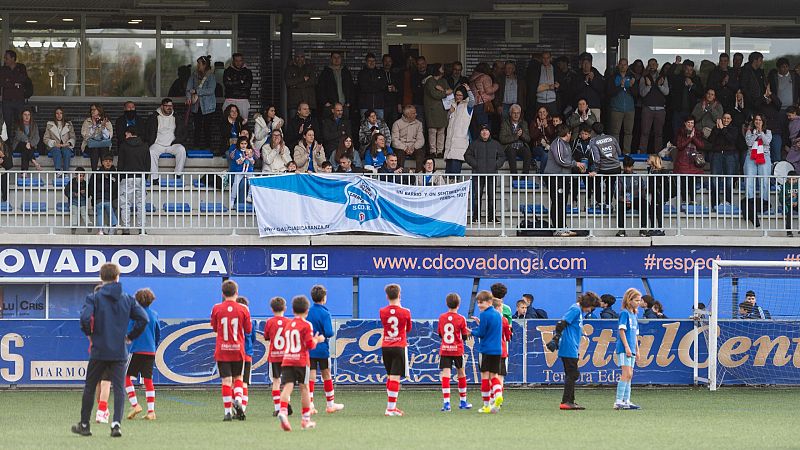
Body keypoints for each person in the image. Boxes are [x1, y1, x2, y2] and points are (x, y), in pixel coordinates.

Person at [71, 263, 148, 438]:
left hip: (99, 349)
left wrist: (89, 334)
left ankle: (85, 425)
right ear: (117, 277)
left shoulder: (94, 298)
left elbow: (84, 318)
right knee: (119, 388)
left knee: (90, 386)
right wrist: (130, 336)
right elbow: (143, 319)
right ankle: (116, 425)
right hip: (119, 351)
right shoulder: (127, 298)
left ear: (101, 277)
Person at [276, 295, 324, 432]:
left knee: (287, 386)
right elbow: (309, 344)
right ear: (307, 311)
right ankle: (305, 420)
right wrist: (317, 339)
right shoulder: (306, 324)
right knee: (304, 388)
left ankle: (283, 411)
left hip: (287, 359)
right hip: (301, 360)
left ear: (292, 310)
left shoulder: (288, 324)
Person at [210, 280, 252, 422]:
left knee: (226, 381)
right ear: (236, 293)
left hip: (222, 349)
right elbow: (248, 330)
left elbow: (215, 328)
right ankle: (238, 400)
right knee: (238, 378)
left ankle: (228, 412)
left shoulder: (216, 308)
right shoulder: (243, 309)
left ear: (223, 293)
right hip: (237, 349)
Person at [549, 292, 598, 410]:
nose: (591, 310)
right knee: (572, 374)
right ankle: (566, 401)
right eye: (591, 307)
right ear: (587, 303)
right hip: (569, 346)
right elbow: (561, 323)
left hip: (572, 346)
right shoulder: (575, 309)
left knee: (571, 374)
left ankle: (570, 401)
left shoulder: (578, 311)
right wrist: (555, 339)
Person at [306, 285, 344, 415]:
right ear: (324, 298)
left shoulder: (308, 311)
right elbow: (329, 332)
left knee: (311, 376)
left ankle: (310, 404)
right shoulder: (325, 313)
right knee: (326, 374)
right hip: (322, 349)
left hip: (309, 349)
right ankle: (330, 404)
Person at [123, 288, 160, 421]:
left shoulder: (134, 315)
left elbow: (129, 331)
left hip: (136, 350)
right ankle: (151, 411)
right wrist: (153, 345)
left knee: (126, 377)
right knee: (148, 380)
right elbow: (158, 333)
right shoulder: (155, 314)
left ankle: (135, 405)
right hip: (150, 351)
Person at [546, 123, 586, 236]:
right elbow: (561, 160)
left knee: (563, 203)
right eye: (570, 133)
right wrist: (575, 164)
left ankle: (563, 226)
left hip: (564, 177)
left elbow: (568, 160)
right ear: (567, 133)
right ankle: (557, 229)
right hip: (555, 177)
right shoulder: (557, 143)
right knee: (557, 202)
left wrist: (578, 167)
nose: (571, 135)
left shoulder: (566, 145)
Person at [380, 284, 412, 417]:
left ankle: (392, 406)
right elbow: (408, 328)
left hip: (386, 346)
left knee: (390, 376)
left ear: (387, 296)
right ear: (399, 295)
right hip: (399, 346)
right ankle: (390, 408)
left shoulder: (382, 311)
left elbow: (385, 325)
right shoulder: (406, 312)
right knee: (395, 377)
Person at [469, 290, 503, 414]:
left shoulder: (484, 314)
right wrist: (480, 323)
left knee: (484, 377)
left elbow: (482, 333)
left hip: (486, 350)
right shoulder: (497, 314)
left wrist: (471, 331)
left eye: (481, 302)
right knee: (494, 376)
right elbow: (491, 329)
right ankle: (498, 395)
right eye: (478, 303)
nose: (479, 305)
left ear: (489, 302)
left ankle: (486, 405)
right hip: (497, 350)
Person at [437, 293, 472, 411]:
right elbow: (464, 335)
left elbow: (440, 334)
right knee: (461, 373)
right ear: (459, 304)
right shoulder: (461, 318)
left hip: (445, 349)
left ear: (447, 304)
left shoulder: (442, 317)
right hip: (457, 350)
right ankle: (463, 401)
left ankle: (446, 403)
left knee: (446, 374)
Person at [464, 125, 506, 223]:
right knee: (477, 197)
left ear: (489, 132)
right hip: (477, 174)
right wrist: (475, 164)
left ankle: (491, 217)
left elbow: (502, 156)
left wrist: (496, 165)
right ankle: (475, 217)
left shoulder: (496, 144)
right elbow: (467, 155)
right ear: (480, 132)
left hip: (492, 174)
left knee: (492, 197)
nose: (484, 132)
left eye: (486, 130)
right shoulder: (474, 144)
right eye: (482, 130)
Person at [117, 127, 150, 234]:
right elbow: (148, 164)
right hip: (141, 177)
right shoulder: (145, 146)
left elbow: (120, 164)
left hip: (127, 177)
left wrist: (120, 177)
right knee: (141, 204)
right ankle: (142, 229)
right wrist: (145, 178)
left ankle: (126, 228)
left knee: (125, 204)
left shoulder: (123, 145)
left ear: (130, 134)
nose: (125, 137)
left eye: (126, 134)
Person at [145, 98, 187, 181]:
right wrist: (149, 141)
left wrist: (178, 140)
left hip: (173, 144)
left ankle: (177, 174)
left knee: (181, 150)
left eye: (171, 106)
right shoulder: (153, 117)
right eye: (167, 106)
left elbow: (184, 131)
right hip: (158, 144)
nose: (169, 108)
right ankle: (154, 178)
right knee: (151, 151)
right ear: (161, 106)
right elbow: (147, 131)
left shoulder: (177, 117)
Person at [614, 288, 642, 410]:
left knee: (630, 375)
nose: (638, 303)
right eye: (636, 300)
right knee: (627, 373)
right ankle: (618, 401)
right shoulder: (624, 313)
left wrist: (637, 350)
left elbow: (635, 335)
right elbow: (622, 330)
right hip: (624, 348)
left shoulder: (634, 315)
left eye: (639, 300)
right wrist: (626, 347)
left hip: (631, 349)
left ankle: (627, 401)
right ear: (629, 300)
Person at [263, 296, 290, 417]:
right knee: (287, 382)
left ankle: (277, 408)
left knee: (276, 381)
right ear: (285, 308)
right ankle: (286, 404)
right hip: (287, 356)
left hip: (274, 355)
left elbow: (266, 337)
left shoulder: (269, 322)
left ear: (272, 309)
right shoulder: (289, 322)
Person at [673, 116, 705, 206]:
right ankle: (684, 200)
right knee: (683, 182)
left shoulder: (698, 133)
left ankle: (692, 200)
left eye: (692, 123)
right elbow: (680, 146)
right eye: (688, 122)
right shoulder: (680, 133)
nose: (690, 124)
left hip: (694, 161)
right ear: (685, 123)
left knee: (692, 181)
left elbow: (701, 146)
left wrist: (693, 137)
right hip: (683, 161)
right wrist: (689, 138)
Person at [186, 55, 216, 150]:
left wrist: (196, 91)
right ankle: (196, 146)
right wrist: (188, 98)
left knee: (207, 127)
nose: (198, 65)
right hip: (196, 106)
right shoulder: (193, 75)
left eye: (199, 64)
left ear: (205, 64)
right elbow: (188, 89)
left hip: (208, 106)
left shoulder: (211, 76)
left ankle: (208, 147)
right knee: (197, 127)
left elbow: (211, 90)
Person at [639, 61, 670, 154]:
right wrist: (648, 86)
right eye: (650, 64)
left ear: (657, 65)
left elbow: (667, 92)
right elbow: (642, 93)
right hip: (648, 109)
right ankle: (642, 153)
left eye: (654, 64)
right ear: (648, 66)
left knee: (659, 134)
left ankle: (658, 154)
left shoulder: (663, 77)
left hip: (660, 110)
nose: (652, 66)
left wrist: (660, 85)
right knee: (644, 133)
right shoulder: (644, 78)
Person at [709, 113, 739, 206]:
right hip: (717, 155)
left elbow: (732, 140)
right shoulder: (716, 128)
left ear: (731, 120)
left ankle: (728, 202)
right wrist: (718, 130)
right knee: (714, 179)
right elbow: (711, 140)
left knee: (729, 179)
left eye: (728, 118)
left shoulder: (734, 129)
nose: (726, 120)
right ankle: (715, 203)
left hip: (729, 155)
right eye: (724, 118)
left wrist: (723, 129)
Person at [443, 85, 475, 174]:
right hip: (450, 142)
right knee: (448, 172)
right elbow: (447, 120)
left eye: (460, 95)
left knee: (455, 171)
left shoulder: (467, 106)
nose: (458, 97)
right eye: (457, 95)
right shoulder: (452, 105)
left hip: (460, 142)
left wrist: (469, 90)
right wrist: (450, 112)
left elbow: (473, 101)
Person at [607, 59, 636, 154]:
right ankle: (616, 152)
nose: (623, 66)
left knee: (629, 132)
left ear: (628, 66)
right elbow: (609, 92)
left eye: (625, 64)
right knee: (615, 132)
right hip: (616, 109)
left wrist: (631, 86)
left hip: (629, 109)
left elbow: (637, 94)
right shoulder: (613, 77)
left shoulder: (632, 77)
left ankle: (626, 152)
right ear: (618, 65)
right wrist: (621, 86)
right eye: (621, 64)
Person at [424, 63, 452, 158]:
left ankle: (440, 151)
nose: (443, 70)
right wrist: (444, 92)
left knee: (441, 130)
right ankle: (432, 151)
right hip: (432, 109)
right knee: (432, 131)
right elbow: (434, 94)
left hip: (442, 109)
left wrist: (442, 90)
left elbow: (450, 91)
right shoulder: (430, 81)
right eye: (441, 68)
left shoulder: (443, 80)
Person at [0, 50, 31, 135]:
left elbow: (23, 80)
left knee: (20, 123)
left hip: (19, 100)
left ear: (13, 59)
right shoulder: (3, 69)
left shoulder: (21, 67)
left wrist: (9, 82)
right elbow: (2, 82)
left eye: (6, 58)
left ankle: (20, 143)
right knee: (7, 124)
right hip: (7, 101)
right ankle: (8, 145)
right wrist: (14, 84)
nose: (5, 60)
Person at [744, 114, 772, 205]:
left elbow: (767, 142)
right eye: (756, 119)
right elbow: (749, 143)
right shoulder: (749, 131)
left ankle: (764, 202)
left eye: (760, 120)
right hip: (751, 156)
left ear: (763, 122)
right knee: (749, 179)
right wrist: (756, 133)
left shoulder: (768, 131)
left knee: (764, 180)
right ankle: (750, 201)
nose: (758, 121)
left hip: (764, 156)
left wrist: (761, 132)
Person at [616, 156, 647, 237]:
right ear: (623, 167)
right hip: (625, 200)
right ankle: (621, 230)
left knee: (644, 203)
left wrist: (641, 198)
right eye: (626, 167)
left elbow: (643, 190)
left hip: (636, 199)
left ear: (633, 166)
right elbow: (617, 193)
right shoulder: (620, 178)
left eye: (630, 167)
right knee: (619, 206)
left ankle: (643, 229)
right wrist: (623, 199)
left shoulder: (638, 177)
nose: (628, 169)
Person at [670, 59, 704, 133]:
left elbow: (701, 93)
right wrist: (675, 64)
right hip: (678, 111)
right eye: (687, 69)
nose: (689, 71)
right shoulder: (678, 78)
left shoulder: (696, 79)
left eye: (691, 70)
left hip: (691, 112)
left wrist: (692, 85)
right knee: (677, 132)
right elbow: (669, 75)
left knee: (689, 133)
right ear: (683, 68)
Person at [317, 51, 355, 117]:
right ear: (331, 59)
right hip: (330, 105)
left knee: (344, 125)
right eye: (334, 57)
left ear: (341, 59)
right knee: (330, 125)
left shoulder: (346, 72)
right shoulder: (326, 72)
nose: (336, 59)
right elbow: (321, 88)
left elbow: (351, 87)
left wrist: (349, 101)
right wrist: (325, 102)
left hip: (344, 105)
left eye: (338, 57)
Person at [88, 155, 118, 236]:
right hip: (99, 198)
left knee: (108, 212)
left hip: (108, 199)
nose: (108, 162)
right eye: (106, 161)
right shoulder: (96, 173)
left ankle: (106, 229)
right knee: (101, 211)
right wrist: (93, 197)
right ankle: (108, 228)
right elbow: (91, 186)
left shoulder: (115, 174)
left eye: (110, 161)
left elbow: (116, 188)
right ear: (102, 163)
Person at [499, 104, 532, 174]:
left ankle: (524, 178)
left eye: (518, 113)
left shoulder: (524, 123)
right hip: (509, 147)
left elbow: (528, 139)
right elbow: (502, 139)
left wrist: (522, 134)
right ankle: (514, 178)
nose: (516, 115)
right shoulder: (505, 123)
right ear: (510, 114)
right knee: (511, 152)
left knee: (527, 152)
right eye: (514, 113)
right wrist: (516, 136)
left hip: (521, 147)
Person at [43, 107, 76, 176]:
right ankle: (58, 172)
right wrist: (54, 143)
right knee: (56, 151)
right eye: (57, 113)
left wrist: (67, 144)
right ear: (54, 115)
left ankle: (66, 172)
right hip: (54, 146)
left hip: (66, 146)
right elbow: (45, 138)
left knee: (66, 152)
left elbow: (73, 137)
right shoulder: (49, 124)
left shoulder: (69, 124)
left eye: (61, 113)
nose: (59, 115)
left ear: (63, 114)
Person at [469, 63, 498, 138]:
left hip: (474, 105)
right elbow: (488, 90)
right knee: (484, 127)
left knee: (476, 127)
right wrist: (496, 86)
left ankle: (476, 144)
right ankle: (484, 144)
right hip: (483, 105)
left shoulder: (472, 78)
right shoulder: (485, 77)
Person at [222, 53, 253, 123]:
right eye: (236, 60)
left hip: (243, 100)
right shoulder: (227, 71)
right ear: (233, 61)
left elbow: (248, 86)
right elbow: (227, 84)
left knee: (243, 122)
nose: (238, 63)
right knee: (228, 123)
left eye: (240, 60)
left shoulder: (248, 72)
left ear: (243, 61)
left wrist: (233, 83)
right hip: (230, 100)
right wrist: (240, 82)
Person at [81, 104, 113, 171]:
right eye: (91, 109)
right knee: (95, 149)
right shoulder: (87, 121)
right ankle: (94, 172)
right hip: (90, 145)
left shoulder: (106, 121)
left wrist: (103, 127)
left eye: (94, 109)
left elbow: (109, 137)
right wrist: (94, 126)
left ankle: (104, 171)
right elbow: (85, 136)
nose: (92, 111)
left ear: (99, 110)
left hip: (103, 145)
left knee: (103, 149)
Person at [527, 51, 560, 116]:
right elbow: (533, 87)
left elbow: (560, 84)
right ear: (541, 59)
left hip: (552, 101)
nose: (546, 60)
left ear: (551, 58)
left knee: (553, 121)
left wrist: (558, 86)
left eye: (547, 58)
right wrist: (549, 87)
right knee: (539, 122)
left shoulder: (555, 69)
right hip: (540, 101)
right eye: (544, 58)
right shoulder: (536, 69)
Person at [286, 50, 316, 118]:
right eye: (297, 57)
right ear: (294, 58)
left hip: (308, 101)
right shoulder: (290, 68)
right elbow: (288, 82)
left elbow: (313, 82)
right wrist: (302, 79)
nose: (300, 59)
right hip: (294, 103)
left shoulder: (310, 68)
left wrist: (295, 85)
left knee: (309, 124)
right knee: (293, 124)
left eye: (302, 57)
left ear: (304, 58)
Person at [493, 297, 512, 402]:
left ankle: (492, 397)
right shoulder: (504, 320)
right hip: (502, 351)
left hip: (490, 351)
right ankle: (499, 396)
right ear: (498, 307)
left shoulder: (487, 318)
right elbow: (508, 336)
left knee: (491, 375)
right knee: (500, 375)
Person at [358, 53, 387, 119]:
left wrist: (371, 85)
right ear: (366, 62)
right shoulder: (361, 73)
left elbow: (383, 86)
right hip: (365, 105)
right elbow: (363, 88)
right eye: (369, 61)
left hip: (378, 105)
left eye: (373, 61)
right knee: (365, 126)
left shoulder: (380, 72)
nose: (372, 63)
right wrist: (377, 86)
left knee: (378, 126)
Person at [228, 137, 255, 207]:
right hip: (239, 170)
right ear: (239, 144)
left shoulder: (250, 151)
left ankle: (249, 196)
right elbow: (238, 162)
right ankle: (232, 200)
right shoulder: (237, 151)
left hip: (249, 170)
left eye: (245, 143)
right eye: (242, 143)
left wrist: (249, 157)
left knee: (253, 182)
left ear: (247, 144)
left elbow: (253, 162)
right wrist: (243, 158)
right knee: (235, 184)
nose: (243, 145)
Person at [64, 167, 92, 234]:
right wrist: (74, 194)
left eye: (83, 176)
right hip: (74, 201)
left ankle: (89, 224)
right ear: (76, 175)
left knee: (84, 212)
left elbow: (89, 194)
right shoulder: (71, 182)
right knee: (74, 212)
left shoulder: (85, 183)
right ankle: (74, 225)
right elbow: (66, 191)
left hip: (82, 202)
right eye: (80, 176)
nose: (81, 177)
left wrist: (84, 192)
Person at [645, 154, 667, 237]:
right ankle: (653, 228)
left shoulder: (660, 171)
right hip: (652, 194)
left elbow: (660, 184)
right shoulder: (650, 170)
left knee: (658, 211)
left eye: (649, 158)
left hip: (658, 194)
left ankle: (661, 229)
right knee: (652, 211)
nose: (647, 160)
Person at [381, 54, 401, 126]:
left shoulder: (395, 74)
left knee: (394, 125)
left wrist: (395, 89)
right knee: (382, 125)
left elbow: (400, 89)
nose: (387, 63)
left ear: (392, 62)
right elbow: (376, 87)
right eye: (386, 61)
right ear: (382, 62)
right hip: (382, 104)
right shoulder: (378, 73)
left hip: (393, 105)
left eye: (389, 61)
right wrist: (385, 88)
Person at [781, 170, 798, 237]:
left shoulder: (798, 185)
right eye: (791, 180)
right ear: (788, 179)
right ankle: (789, 231)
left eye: (794, 179)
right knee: (789, 214)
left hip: (797, 203)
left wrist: (797, 201)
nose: (793, 181)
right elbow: (781, 198)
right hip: (788, 204)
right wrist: (789, 196)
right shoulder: (785, 186)